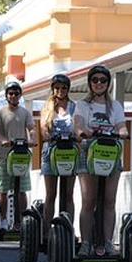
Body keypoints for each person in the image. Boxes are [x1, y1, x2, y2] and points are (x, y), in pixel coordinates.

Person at [74, 65, 129, 256]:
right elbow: (78, 125)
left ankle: (107, 243)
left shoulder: (115, 106)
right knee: (88, 201)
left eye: (103, 80)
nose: (99, 83)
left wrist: (123, 132)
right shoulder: (82, 105)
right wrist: (82, 132)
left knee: (109, 201)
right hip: (89, 151)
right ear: (90, 83)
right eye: (95, 80)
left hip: (110, 152)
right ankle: (86, 243)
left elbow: (121, 126)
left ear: (108, 83)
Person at [0, 81, 35, 231]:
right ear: (6, 95)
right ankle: (3, 220)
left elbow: (31, 128)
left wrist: (32, 138)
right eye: (11, 93)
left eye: (16, 93)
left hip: (20, 156)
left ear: (20, 95)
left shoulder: (25, 112)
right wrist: (3, 140)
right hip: (3, 157)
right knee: (3, 190)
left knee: (22, 191)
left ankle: (20, 222)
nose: (14, 96)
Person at [39, 73, 76, 237]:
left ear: (68, 89)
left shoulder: (75, 107)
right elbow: (43, 129)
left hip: (69, 151)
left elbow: (79, 125)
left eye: (64, 88)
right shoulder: (47, 108)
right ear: (53, 89)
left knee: (68, 194)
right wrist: (48, 135)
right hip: (51, 151)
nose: (60, 90)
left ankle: (68, 228)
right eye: (57, 88)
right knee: (51, 194)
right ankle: (46, 232)